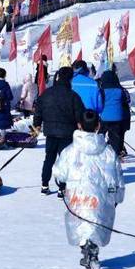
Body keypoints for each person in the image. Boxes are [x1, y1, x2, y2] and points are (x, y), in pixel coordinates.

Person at [52, 110, 125, 269]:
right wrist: (118, 195)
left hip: (78, 195)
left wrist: (61, 181)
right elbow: (117, 174)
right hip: (101, 196)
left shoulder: (70, 150)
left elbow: (59, 172)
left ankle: (88, 250)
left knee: (81, 224)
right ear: (98, 126)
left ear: (79, 126)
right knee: (96, 222)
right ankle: (91, 251)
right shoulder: (108, 151)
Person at [33, 66, 86, 195]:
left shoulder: (47, 93)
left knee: (49, 159)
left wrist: (37, 125)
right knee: (64, 161)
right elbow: (80, 114)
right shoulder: (73, 95)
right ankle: (62, 188)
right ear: (69, 79)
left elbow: (38, 110)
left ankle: (44, 185)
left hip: (50, 132)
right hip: (67, 133)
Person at [98, 70, 130, 156]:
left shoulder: (101, 91)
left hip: (104, 118)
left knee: (100, 135)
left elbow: (99, 103)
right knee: (115, 138)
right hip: (118, 118)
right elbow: (128, 100)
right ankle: (115, 153)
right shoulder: (121, 90)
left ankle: (98, 151)